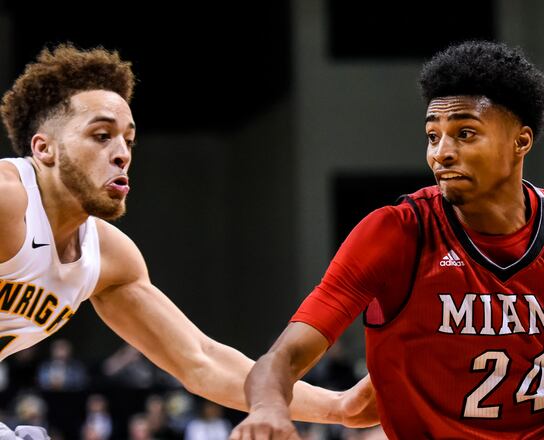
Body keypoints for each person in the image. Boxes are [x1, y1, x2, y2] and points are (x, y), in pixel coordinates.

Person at [231, 41, 544, 439]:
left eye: (464, 133)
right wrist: (268, 408)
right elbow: (282, 359)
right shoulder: (395, 233)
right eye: (433, 136)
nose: (442, 153)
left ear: (521, 141)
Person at [0, 43, 376, 428]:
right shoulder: (7, 199)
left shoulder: (110, 257)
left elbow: (201, 361)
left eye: (128, 140)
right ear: (44, 149)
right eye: (101, 135)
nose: (122, 154)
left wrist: (339, 407)